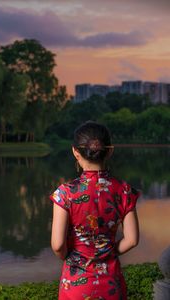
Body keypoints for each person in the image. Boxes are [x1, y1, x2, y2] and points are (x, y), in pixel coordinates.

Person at [50, 121, 140, 300]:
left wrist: (71, 258)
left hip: (75, 284)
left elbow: (58, 245)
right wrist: (108, 251)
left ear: (75, 152)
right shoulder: (124, 191)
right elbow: (132, 240)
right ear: (110, 151)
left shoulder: (65, 193)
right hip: (111, 283)